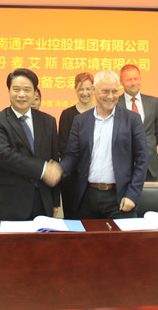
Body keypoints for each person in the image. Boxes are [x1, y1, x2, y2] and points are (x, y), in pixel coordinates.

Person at [59, 70, 147, 219]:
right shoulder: (80, 121)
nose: (110, 96)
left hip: (120, 198)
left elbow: (142, 159)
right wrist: (57, 170)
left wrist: (132, 195)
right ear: (94, 90)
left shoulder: (132, 119)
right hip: (87, 198)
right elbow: (72, 156)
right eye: (105, 91)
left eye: (115, 91)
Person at [0, 68, 61, 220]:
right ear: (9, 91)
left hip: (42, 201)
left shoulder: (49, 121)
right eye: (16, 89)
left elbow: (54, 161)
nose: (21, 94)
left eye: (27, 89)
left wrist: (54, 202)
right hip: (10, 203)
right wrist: (43, 169)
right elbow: (4, 156)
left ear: (34, 92)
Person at [117, 64, 158, 181]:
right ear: (121, 82)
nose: (133, 83)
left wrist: (146, 147)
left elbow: (157, 131)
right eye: (129, 80)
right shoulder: (115, 104)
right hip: (123, 165)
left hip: (149, 165)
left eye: (136, 79)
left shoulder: (153, 102)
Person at [58, 72, 94, 219]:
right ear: (75, 90)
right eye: (81, 89)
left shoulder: (101, 113)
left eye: (88, 89)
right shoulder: (67, 114)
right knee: (72, 218)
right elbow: (63, 145)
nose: (85, 93)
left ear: (94, 89)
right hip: (72, 176)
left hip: (94, 176)